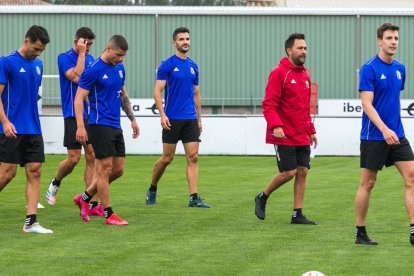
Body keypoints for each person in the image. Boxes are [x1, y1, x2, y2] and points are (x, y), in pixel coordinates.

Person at [354, 23, 414, 246]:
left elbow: (393, 99)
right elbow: (366, 104)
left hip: (397, 135)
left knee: (412, 177)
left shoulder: (401, 68)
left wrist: (393, 129)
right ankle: (360, 232)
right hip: (374, 137)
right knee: (367, 184)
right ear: (379, 41)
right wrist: (384, 129)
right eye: (389, 38)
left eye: (396, 38)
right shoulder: (369, 68)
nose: (393, 42)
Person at [73, 35, 139, 226]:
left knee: (118, 170)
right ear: (108, 49)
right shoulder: (92, 70)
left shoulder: (120, 68)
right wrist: (80, 126)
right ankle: (108, 213)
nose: (121, 59)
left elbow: (123, 95)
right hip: (98, 123)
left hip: (115, 125)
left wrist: (132, 119)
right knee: (103, 169)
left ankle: (84, 198)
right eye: (119, 55)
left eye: (124, 56)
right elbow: (79, 99)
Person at [254, 33, 318, 224]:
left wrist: (311, 130)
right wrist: (276, 126)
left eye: (305, 48)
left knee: (303, 171)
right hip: (283, 134)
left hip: (302, 133)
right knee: (288, 173)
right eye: (300, 48)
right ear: (289, 50)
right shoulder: (279, 73)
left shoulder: (306, 75)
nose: (303, 51)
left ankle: (297, 214)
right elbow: (269, 104)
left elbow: (305, 108)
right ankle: (262, 196)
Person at [145, 27, 210, 208]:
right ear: (174, 42)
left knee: (193, 157)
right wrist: (162, 114)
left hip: (190, 119)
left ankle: (194, 197)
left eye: (187, 39)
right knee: (167, 158)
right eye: (181, 39)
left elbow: (196, 93)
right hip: (172, 118)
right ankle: (152, 188)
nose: (185, 42)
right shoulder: (167, 65)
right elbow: (157, 91)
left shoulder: (193, 66)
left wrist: (199, 118)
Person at [0, 25, 53, 234]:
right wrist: (4, 122)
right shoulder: (6, 62)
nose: (38, 53)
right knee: (7, 174)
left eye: (41, 50)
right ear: (26, 41)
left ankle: (31, 222)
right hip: (11, 128)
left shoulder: (38, 65)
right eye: (36, 48)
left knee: (35, 171)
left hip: (33, 128)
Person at [45, 27, 103, 216]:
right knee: (74, 159)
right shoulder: (64, 57)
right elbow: (75, 76)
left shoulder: (91, 59)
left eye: (90, 44)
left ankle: (91, 203)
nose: (88, 47)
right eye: (86, 43)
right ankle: (56, 181)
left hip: (91, 115)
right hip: (72, 114)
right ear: (78, 41)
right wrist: (82, 54)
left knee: (92, 156)